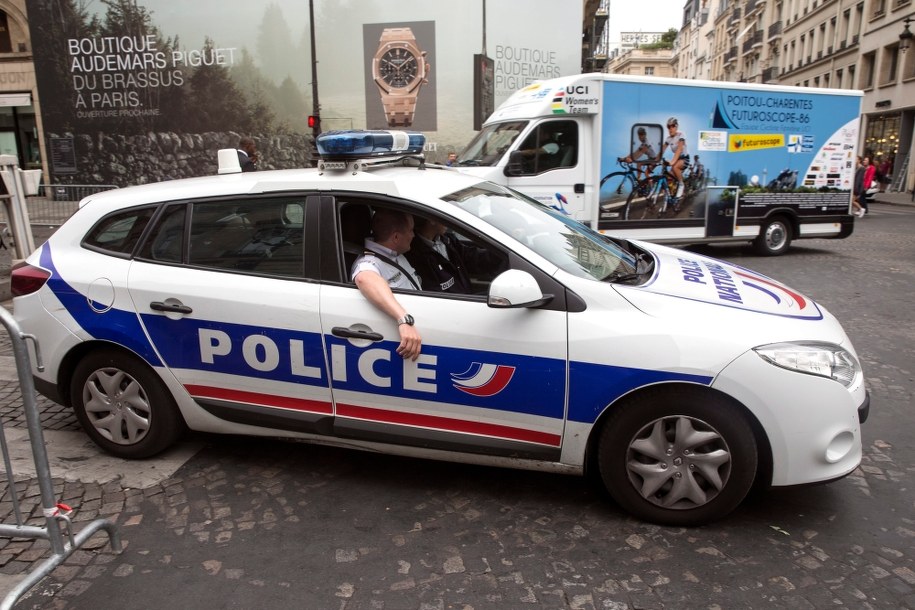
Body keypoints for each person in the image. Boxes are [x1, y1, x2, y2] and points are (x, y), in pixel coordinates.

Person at [351, 209, 422, 360]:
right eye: (410, 230)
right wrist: (403, 320)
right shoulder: (369, 262)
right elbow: (365, 278)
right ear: (396, 237)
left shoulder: (395, 254)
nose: (414, 235)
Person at [406, 216, 503, 294]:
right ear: (432, 220)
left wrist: (501, 252)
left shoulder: (448, 240)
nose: (447, 222)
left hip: (466, 296)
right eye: (443, 217)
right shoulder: (416, 255)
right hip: (455, 306)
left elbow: (472, 258)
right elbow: (436, 293)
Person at [656, 117, 689, 201]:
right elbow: (661, 151)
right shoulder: (668, 139)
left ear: (676, 127)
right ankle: (669, 199)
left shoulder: (681, 134)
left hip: (684, 159)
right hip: (677, 159)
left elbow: (679, 149)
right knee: (668, 177)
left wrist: (672, 162)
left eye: (673, 126)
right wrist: (654, 160)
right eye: (668, 126)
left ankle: (681, 184)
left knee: (674, 167)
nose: (670, 128)